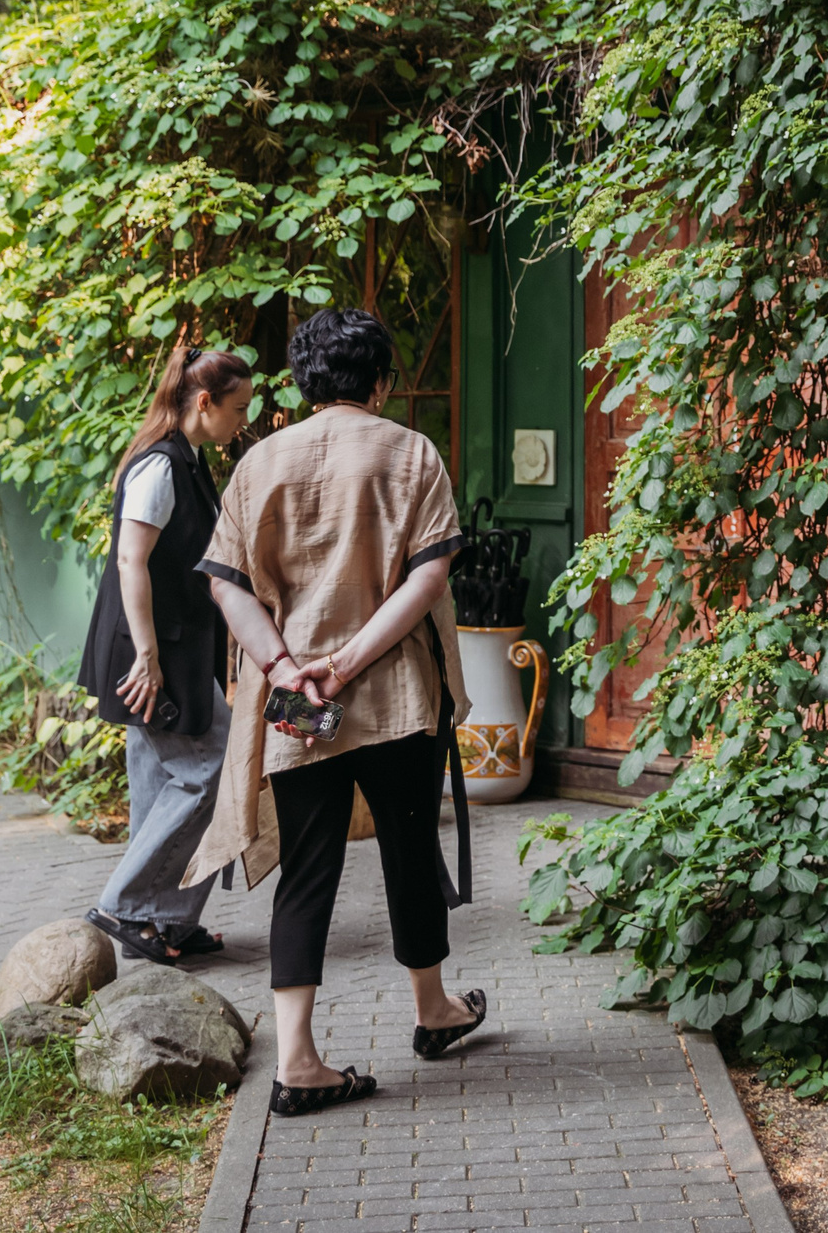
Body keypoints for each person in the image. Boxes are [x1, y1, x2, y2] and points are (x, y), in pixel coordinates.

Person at [185, 307, 486, 1117]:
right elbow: (426, 579)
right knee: (410, 849)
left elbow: (226, 582)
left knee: (308, 870)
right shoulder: (410, 450)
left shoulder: (260, 460)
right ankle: (432, 1010)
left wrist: (288, 665)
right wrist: (349, 662)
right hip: (394, 698)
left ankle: (299, 1061)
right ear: (382, 379)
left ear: (305, 381)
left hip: (297, 707)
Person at [79, 344, 254, 965]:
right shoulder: (159, 466)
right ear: (203, 402)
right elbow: (132, 561)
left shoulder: (191, 459)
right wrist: (148, 658)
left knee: (158, 779)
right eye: (236, 409)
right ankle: (126, 906)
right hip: (151, 651)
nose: (242, 422)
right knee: (210, 768)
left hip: (176, 644)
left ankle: (165, 919)